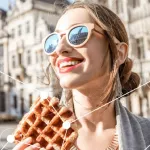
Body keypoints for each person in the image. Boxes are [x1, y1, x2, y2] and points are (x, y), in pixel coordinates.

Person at [13, 1, 150, 150]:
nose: (59, 48)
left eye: (78, 34)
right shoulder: (34, 141)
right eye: (53, 41)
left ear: (119, 53)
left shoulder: (147, 134)